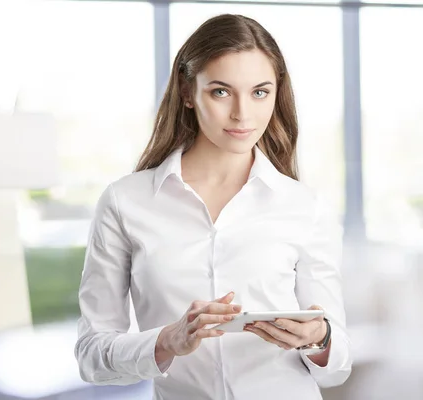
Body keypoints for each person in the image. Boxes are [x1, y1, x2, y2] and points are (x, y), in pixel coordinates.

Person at [74, 13, 352, 400]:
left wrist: (319, 338)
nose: (242, 113)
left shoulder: (305, 207)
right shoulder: (125, 203)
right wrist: (167, 340)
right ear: (188, 92)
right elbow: (90, 356)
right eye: (221, 91)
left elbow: (338, 366)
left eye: (260, 92)